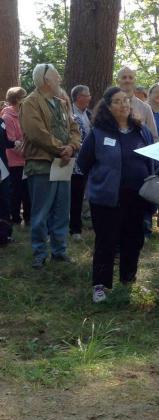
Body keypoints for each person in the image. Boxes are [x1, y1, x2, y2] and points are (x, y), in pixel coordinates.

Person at [77, 87, 154, 303]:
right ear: (108, 107)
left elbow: (150, 161)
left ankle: (128, 280)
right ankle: (100, 285)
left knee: (134, 239)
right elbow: (84, 163)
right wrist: (100, 181)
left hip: (137, 197)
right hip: (106, 199)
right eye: (118, 101)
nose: (124, 105)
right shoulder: (98, 133)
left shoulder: (142, 131)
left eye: (126, 101)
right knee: (106, 241)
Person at [20, 63, 80, 269]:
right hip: (41, 165)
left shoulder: (62, 103)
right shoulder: (30, 102)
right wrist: (61, 149)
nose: (60, 80)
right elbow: (36, 133)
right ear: (46, 80)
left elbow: (74, 127)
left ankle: (59, 251)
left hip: (63, 163)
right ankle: (39, 253)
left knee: (62, 210)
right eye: (56, 77)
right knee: (41, 212)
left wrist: (72, 147)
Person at [1, 87, 31, 226]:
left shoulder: (24, 114)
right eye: (24, 97)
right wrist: (29, 152)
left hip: (26, 160)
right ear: (17, 99)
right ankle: (15, 219)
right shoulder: (7, 117)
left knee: (27, 191)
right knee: (16, 192)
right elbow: (12, 142)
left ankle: (28, 217)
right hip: (14, 162)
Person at [70, 84, 92, 241]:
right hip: (73, 163)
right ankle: (74, 229)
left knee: (82, 194)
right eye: (87, 94)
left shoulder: (89, 115)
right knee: (74, 195)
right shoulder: (69, 113)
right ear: (79, 97)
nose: (90, 97)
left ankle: (80, 224)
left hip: (87, 163)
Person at [117, 66, 159, 141]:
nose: (127, 80)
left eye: (130, 77)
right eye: (124, 77)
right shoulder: (108, 106)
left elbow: (154, 137)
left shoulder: (145, 108)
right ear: (117, 81)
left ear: (135, 81)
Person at [0, 117, 15, 246]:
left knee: (4, 200)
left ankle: (4, 235)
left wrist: (15, 143)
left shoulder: (1, 121)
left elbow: (5, 142)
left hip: (3, 168)